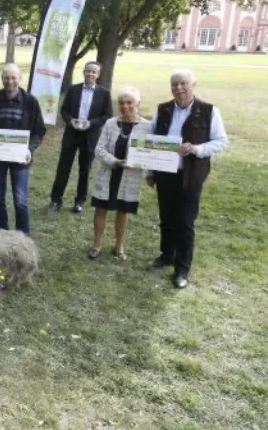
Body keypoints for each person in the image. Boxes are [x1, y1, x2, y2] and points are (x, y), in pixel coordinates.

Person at [147, 69, 228, 289]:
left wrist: (197, 148)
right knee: (166, 217)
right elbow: (151, 140)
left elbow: (221, 141)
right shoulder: (162, 109)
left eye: (184, 84)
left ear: (194, 85)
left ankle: (182, 269)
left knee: (185, 223)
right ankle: (167, 255)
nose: (179, 88)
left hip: (191, 175)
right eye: (175, 84)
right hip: (165, 173)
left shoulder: (209, 111)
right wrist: (150, 171)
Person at [0, 63, 46, 234]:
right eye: (6, 77)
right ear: (2, 79)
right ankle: (2, 230)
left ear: (20, 79)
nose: (10, 81)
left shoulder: (30, 102)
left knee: (20, 199)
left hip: (20, 159)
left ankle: (23, 235)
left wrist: (30, 149)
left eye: (13, 77)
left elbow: (39, 130)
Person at [88, 88, 151, 261]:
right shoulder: (110, 123)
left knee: (123, 210)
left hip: (130, 176)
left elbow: (150, 153)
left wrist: (150, 171)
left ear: (137, 103)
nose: (125, 106)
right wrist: (115, 161)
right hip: (109, 172)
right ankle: (96, 245)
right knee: (101, 208)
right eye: (121, 103)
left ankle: (119, 247)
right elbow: (99, 149)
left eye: (129, 102)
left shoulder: (147, 126)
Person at [49, 61, 113, 213]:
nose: (90, 74)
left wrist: (91, 123)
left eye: (94, 72)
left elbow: (107, 115)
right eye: (88, 71)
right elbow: (64, 110)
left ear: (98, 75)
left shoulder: (104, 93)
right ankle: (56, 200)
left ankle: (79, 201)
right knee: (63, 167)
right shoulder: (73, 90)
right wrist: (71, 121)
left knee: (85, 169)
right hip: (72, 134)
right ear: (84, 72)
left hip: (90, 136)